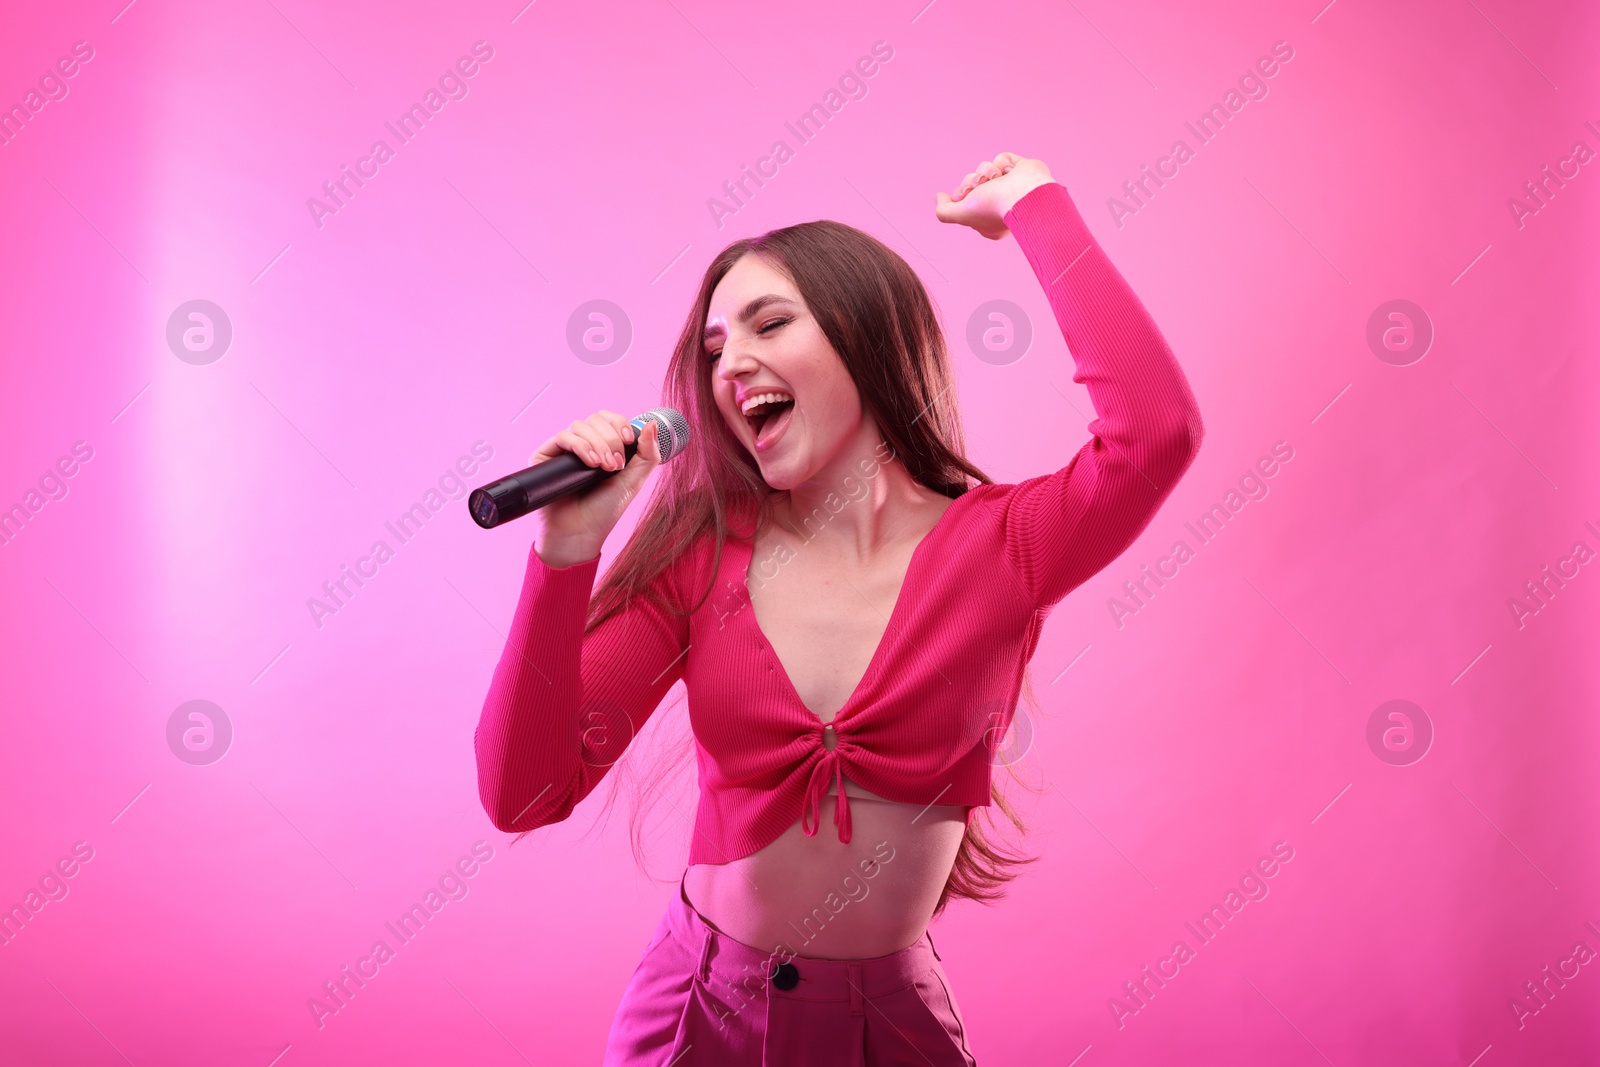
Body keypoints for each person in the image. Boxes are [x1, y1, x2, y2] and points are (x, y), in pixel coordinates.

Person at [474, 152, 1204, 1064]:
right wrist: (565, 553)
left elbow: (1155, 432)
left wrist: (1030, 207)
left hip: (890, 1029)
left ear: (868, 338)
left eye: (768, 323)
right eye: (712, 350)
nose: (730, 363)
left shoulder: (1006, 546)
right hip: (698, 1013)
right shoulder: (699, 557)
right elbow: (525, 791)